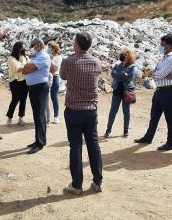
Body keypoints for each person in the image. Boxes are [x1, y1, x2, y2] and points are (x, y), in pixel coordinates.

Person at [60, 32, 103, 195]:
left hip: (73, 110)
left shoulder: (68, 61)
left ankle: (77, 185)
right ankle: (97, 181)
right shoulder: (96, 62)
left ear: (76, 44)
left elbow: (63, 76)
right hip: (91, 110)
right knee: (94, 145)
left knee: (75, 147)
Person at [134, 34, 172, 151]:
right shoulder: (162, 58)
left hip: (168, 91)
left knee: (169, 117)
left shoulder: (171, 59)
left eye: (162, 45)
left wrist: (157, 74)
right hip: (159, 91)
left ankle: (170, 142)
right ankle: (148, 137)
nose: (160, 46)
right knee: (153, 117)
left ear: (169, 46)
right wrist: (159, 73)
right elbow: (157, 72)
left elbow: (158, 74)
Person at [23, 39, 51, 154]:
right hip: (34, 88)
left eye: (33, 45)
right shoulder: (36, 56)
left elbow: (29, 68)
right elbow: (26, 70)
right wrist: (26, 68)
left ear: (39, 45)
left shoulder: (43, 56)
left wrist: (26, 67)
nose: (32, 47)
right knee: (37, 115)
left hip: (40, 87)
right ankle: (38, 140)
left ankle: (40, 142)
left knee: (39, 115)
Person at [104, 47, 137, 138]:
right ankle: (108, 130)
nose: (122, 56)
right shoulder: (117, 65)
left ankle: (125, 131)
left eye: (125, 55)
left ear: (129, 57)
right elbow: (112, 74)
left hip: (127, 91)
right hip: (117, 89)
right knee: (113, 110)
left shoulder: (133, 67)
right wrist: (123, 74)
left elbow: (130, 77)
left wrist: (118, 75)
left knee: (126, 111)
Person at [6, 41, 29, 127]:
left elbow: (29, 66)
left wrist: (26, 68)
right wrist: (27, 67)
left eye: (23, 47)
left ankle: (21, 118)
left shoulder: (25, 57)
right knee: (15, 99)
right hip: (14, 81)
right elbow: (17, 69)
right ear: (17, 48)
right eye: (21, 47)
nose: (22, 49)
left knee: (23, 99)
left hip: (25, 80)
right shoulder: (11, 58)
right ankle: (9, 117)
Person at [47, 41, 62, 124]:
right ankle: (46, 115)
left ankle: (56, 116)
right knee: (45, 98)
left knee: (54, 97)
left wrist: (51, 59)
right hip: (47, 77)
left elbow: (56, 69)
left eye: (49, 47)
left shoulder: (58, 57)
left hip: (55, 77)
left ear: (53, 48)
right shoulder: (47, 55)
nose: (48, 49)